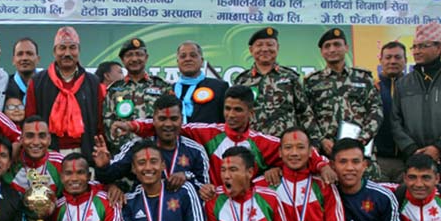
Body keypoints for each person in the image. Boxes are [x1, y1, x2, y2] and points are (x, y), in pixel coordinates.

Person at [120, 85, 334, 191]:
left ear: (251, 113)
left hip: (250, 209)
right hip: (213, 204)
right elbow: (168, 124)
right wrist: (131, 125)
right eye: (228, 109)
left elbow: (298, 149)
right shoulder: (209, 132)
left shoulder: (263, 143)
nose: (231, 115)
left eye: (238, 110)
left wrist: (323, 165)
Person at [392, 22, 441, 198]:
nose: (417, 51)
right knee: (418, 217)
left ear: (439, 47)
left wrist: (439, 147)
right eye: (414, 46)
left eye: (423, 46)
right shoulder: (403, 84)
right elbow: (395, 121)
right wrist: (412, 149)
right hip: (416, 160)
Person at [94, 94, 209, 192]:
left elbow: (205, 190)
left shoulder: (196, 150)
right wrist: (103, 167)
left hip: (182, 215)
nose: (168, 124)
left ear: (182, 119)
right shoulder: (137, 147)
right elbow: (109, 175)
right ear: (153, 119)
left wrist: (187, 176)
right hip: (143, 213)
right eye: (162, 119)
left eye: (174, 119)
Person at [25, 26, 104, 161]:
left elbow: (100, 124)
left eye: (72, 48)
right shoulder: (38, 82)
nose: (67, 53)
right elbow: (30, 120)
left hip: (85, 153)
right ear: (54, 52)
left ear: (79, 51)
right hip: (48, 154)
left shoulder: (93, 83)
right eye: (62, 48)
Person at [304, 28, 382, 162]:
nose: (332, 49)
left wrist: (360, 140)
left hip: (360, 149)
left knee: (364, 183)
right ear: (322, 52)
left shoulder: (363, 78)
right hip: (327, 150)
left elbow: (376, 111)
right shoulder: (312, 81)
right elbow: (306, 114)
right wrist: (320, 140)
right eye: (327, 46)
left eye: (337, 44)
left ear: (346, 48)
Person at [234, 27, 319, 140]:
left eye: (270, 45)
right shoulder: (242, 81)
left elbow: (304, 112)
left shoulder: (290, 77)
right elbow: (235, 114)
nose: (265, 49)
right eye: (259, 45)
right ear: (251, 50)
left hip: (285, 145)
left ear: (277, 48)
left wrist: (314, 141)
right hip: (252, 144)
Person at [102, 37, 173, 153]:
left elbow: (170, 120)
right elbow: (108, 124)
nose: (134, 59)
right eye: (129, 55)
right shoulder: (114, 90)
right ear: (122, 59)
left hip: (157, 152)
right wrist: (125, 149)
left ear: (146, 57)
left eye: (139, 54)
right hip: (124, 153)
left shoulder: (162, 86)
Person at [3, 116, 64, 195]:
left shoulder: (60, 163)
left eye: (42, 136)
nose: (36, 142)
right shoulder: (10, 162)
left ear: (49, 140)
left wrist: (55, 204)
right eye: (30, 136)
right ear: (21, 139)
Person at [374, 41, 408, 182]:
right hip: (379, 161)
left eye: (397, 57)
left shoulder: (414, 89)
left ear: (405, 61)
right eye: (388, 57)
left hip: (407, 160)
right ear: (381, 60)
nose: (392, 61)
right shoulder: (372, 87)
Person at [172, 40, 227, 124]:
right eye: (183, 56)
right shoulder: (168, 89)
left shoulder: (219, 87)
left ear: (201, 61)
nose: (188, 59)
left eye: (193, 55)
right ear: (178, 62)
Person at [5, 37, 40, 102]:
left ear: (38, 59)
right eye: (20, 54)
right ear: (13, 60)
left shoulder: (47, 84)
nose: (24, 58)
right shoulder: (5, 86)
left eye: (29, 53)